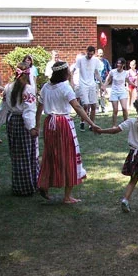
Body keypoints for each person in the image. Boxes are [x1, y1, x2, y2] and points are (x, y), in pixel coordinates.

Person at [36, 61, 100, 204]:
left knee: (50, 154)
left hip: (49, 123)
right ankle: (67, 196)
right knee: (69, 156)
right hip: (63, 123)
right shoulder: (65, 87)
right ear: (64, 73)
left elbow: (40, 107)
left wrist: (37, 126)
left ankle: (44, 183)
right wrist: (92, 123)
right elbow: (77, 106)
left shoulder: (46, 87)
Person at [0, 62, 40, 196]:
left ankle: (19, 186)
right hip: (23, 124)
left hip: (12, 122)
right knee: (28, 155)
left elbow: (2, 109)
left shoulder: (8, 87)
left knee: (16, 155)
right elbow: (29, 111)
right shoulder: (28, 89)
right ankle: (29, 186)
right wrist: (31, 127)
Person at [73, 46, 103, 130]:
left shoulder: (95, 60)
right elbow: (73, 70)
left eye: (92, 54)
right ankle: (82, 122)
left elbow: (96, 73)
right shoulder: (80, 60)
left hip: (92, 84)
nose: (90, 56)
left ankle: (91, 125)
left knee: (93, 105)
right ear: (87, 52)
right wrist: (71, 82)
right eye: (89, 54)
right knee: (85, 105)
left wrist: (102, 83)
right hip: (83, 84)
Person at [102, 57, 136, 127]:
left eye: (120, 63)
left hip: (122, 92)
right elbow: (108, 80)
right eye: (117, 63)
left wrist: (135, 86)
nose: (118, 64)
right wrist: (104, 86)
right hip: (114, 92)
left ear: (123, 65)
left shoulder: (126, 73)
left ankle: (126, 124)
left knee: (124, 108)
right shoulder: (112, 72)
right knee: (115, 110)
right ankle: (114, 125)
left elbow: (128, 81)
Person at [96, 49, 112, 113]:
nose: (101, 55)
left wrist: (108, 78)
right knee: (96, 94)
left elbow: (110, 70)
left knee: (102, 94)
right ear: (97, 54)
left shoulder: (105, 61)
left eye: (102, 53)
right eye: (100, 53)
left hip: (103, 80)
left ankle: (103, 107)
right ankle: (97, 108)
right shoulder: (95, 61)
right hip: (96, 80)